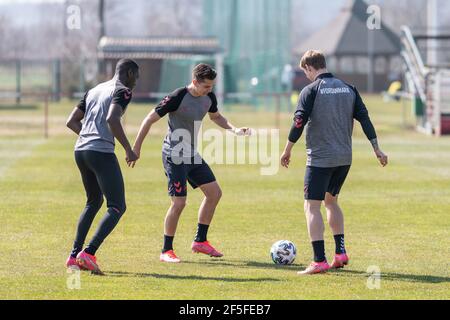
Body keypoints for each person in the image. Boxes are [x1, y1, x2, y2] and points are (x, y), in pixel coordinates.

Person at [280, 50, 388, 275]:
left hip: (320, 159)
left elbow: (299, 122)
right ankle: (340, 253)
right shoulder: (349, 88)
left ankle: (319, 260)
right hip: (344, 159)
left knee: (311, 206)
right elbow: (364, 119)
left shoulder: (311, 90)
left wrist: (287, 150)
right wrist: (376, 148)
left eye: (305, 72)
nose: (306, 76)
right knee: (331, 202)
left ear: (309, 68)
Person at [130, 63, 250, 263]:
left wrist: (234, 129)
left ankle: (200, 241)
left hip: (191, 153)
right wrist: (136, 148)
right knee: (179, 202)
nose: (209, 90)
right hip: (174, 154)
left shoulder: (209, 97)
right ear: (195, 82)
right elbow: (149, 119)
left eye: (211, 86)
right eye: (206, 86)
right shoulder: (177, 97)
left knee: (214, 193)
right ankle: (166, 250)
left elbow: (216, 117)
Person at [65, 59, 140, 274]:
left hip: (81, 151)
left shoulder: (94, 90)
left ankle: (73, 256)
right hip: (100, 152)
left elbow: (71, 121)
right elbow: (112, 119)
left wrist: (89, 139)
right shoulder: (123, 91)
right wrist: (128, 149)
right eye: (136, 75)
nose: (137, 81)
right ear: (128, 73)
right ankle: (88, 253)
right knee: (117, 206)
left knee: (93, 201)